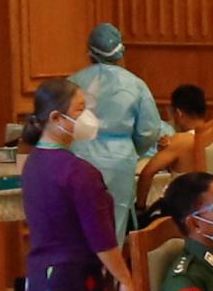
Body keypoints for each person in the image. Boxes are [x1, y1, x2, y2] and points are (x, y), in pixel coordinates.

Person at [17, 78, 133, 291]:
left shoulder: (32, 162)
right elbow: (101, 240)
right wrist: (125, 280)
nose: (88, 117)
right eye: (80, 109)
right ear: (57, 118)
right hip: (78, 282)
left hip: (40, 277)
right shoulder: (79, 173)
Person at [68, 22, 172, 237]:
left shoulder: (73, 82)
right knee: (113, 223)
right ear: (121, 52)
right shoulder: (135, 85)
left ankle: (80, 270)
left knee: (77, 223)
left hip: (76, 158)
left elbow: (60, 124)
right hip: (119, 162)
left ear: (89, 52)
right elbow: (149, 131)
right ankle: (109, 269)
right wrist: (131, 150)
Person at [135, 84, 213, 206]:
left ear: (178, 113)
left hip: (186, 209)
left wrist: (140, 207)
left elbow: (147, 174)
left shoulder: (180, 141)